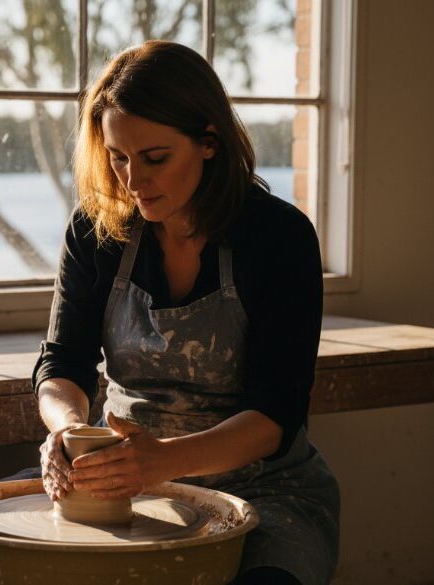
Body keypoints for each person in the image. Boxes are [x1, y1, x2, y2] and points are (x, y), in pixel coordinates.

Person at [33, 40, 340, 585]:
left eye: (154, 158)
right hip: (121, 478)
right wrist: (70, 431)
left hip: (265, 486)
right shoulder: (96, 230)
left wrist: (163, 462)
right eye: (117, 157)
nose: (132, 180)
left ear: (209, 143)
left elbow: (276, 416)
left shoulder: (279, 237)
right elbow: (62, 361)